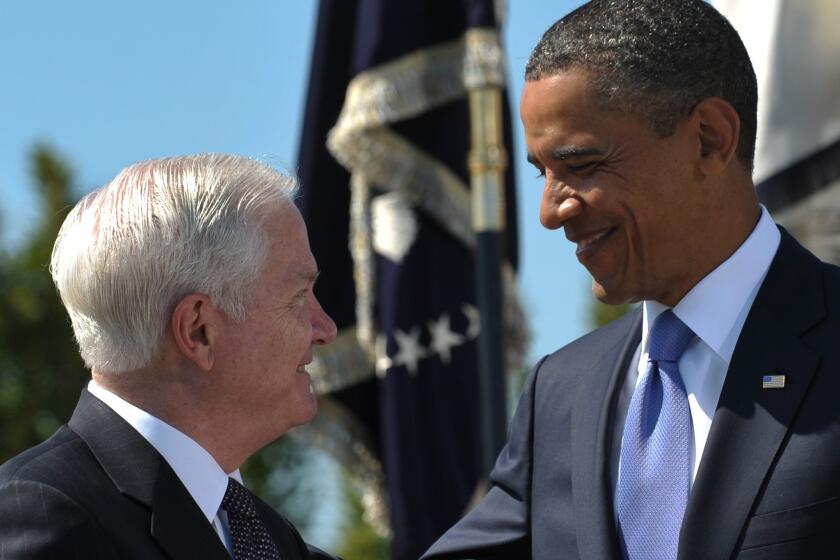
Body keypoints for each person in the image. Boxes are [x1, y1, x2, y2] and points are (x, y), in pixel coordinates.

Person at [423, 0, 840, 558]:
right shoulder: (561, 393)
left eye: (582, 164)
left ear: (709, 139)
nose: (550, 211)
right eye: (543, 172)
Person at [0, 154, 340, 560]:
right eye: (298, 297)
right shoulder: (45, 519)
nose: (326, 328)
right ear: (198, 330)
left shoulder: (271, 539)